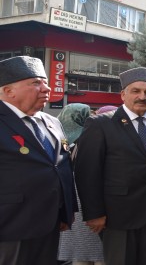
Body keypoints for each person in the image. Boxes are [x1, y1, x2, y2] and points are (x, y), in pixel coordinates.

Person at [75, 67, 146, 265]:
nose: (142, 96)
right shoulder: (100, 124)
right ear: (123, 94)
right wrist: (94, 213)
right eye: (136, 91)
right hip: (117, 214)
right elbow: (87, 172)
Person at [0, 56, 76, 265]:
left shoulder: (52, 121)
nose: (46, 88)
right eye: (35, 83)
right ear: (8, 91)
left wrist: (66, 210)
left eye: (45, 82)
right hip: (11, 225)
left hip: (49, 221)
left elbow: (60, 166)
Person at [57, 103, 105, 265]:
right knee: (99, 251)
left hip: (68, 200)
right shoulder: (88, 135)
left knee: (79, 253)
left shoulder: (56, 134)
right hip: (89, 198)